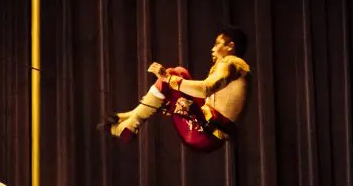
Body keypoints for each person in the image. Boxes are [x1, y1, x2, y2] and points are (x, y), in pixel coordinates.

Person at [101, 26, 251, 153]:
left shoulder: (231, 63)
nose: (212, 49)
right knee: (180, 72)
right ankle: (129, 120)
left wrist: (168, 79)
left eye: (217, 44)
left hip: (204, 135)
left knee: (173, 75)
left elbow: (206, 89)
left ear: (230, 46)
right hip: (207, 127)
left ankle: (130, 123)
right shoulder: (238, 68)